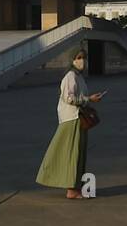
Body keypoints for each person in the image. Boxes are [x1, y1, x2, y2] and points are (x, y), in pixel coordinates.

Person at [36, 49, 104, 199]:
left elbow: (79, 97)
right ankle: (71, 189)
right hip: (71, 119)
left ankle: (75, 187)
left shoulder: (79, 77)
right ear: (72, 60)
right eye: (79, 58)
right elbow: (69, 98)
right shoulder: (70, 76)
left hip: (78, 118)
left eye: (84, 58)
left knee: (78, 154)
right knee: (72, 154)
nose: (82, 61)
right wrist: (89, 99)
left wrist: (89, 101)